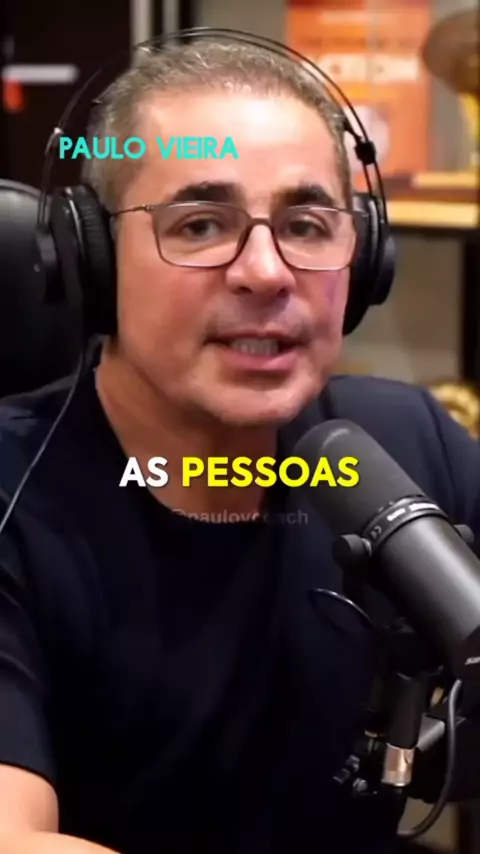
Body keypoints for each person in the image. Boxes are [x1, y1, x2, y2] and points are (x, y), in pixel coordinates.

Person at [0, 37, 479, 854]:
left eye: (306, 225)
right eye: (200, 225)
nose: (266, 272)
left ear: (365, 260)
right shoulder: (14, 497)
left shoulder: (406, 442)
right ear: (91, 259)